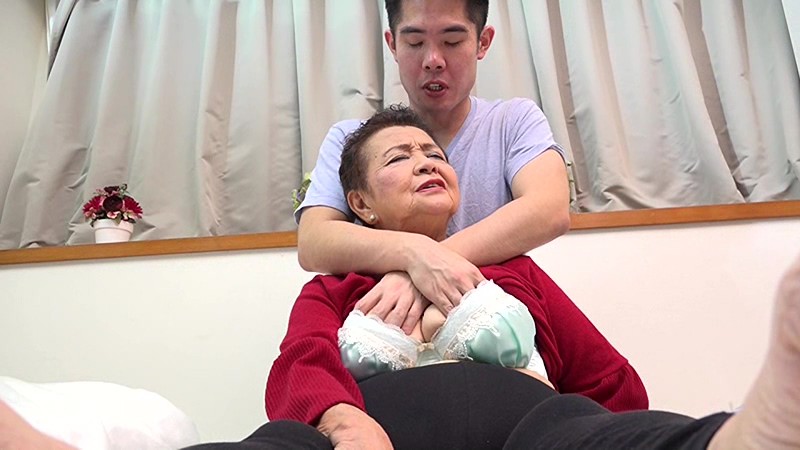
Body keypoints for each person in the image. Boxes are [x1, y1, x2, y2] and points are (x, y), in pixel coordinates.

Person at [295, 0, 571, 337]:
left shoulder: (513, 121)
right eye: (414, 43)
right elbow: (314, 240)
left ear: (482, 42)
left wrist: (423, 269)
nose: (433, 60)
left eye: (452, 41)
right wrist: (415, 255)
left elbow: (549, 208)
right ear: (392, 44)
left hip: (494, 332)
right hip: (388, 334)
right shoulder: (351, 140)